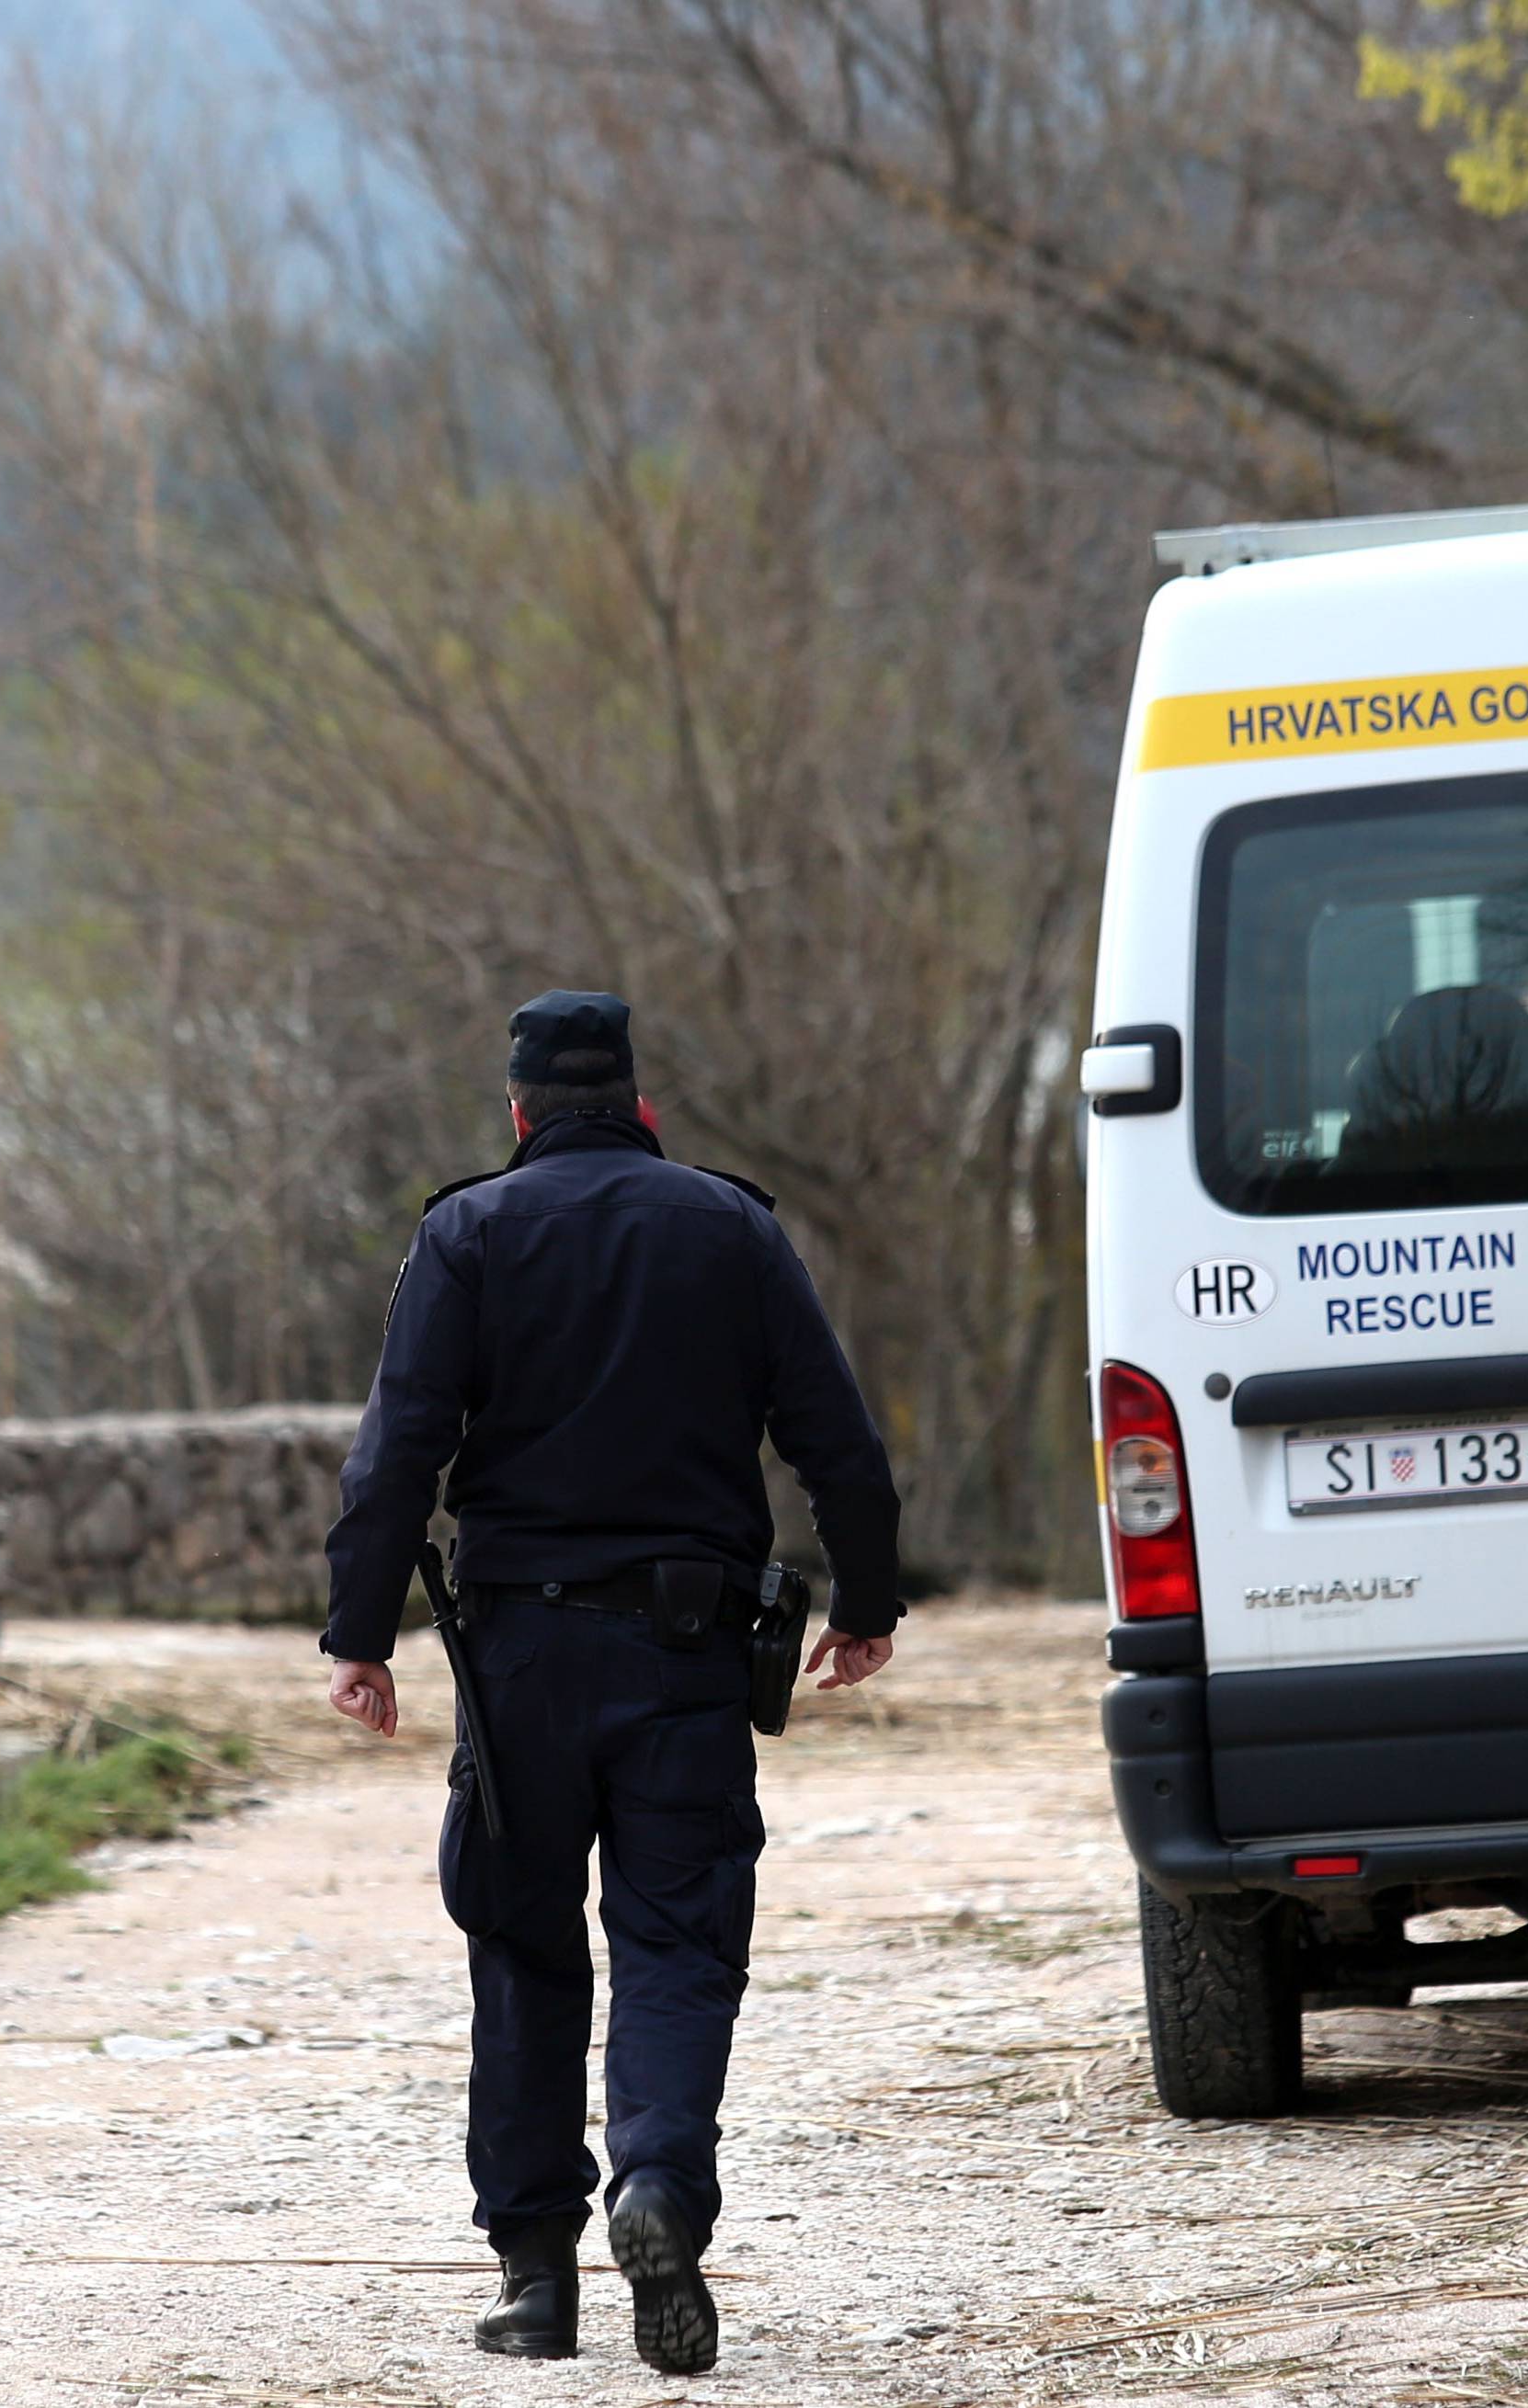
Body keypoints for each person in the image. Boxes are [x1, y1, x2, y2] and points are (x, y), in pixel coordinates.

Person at [319, 990, 901, 2375]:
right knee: (678, 1945)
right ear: (639, 1101)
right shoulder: (733, 1229)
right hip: (689, 1655)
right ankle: (659, 2194)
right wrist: (868, 1602)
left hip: (519, 1660)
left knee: (524, 1949)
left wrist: (360, 1630)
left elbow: (399, 1448)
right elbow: (839, 1440)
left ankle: (537, 2281)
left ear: (519, 1108)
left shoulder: (464, 1233)